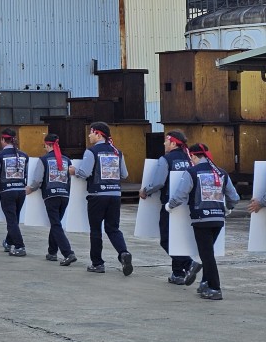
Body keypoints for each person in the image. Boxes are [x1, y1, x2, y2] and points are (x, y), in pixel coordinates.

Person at [167, 143, 239, 301]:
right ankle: (205, 282)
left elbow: (180, 195)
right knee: (208, 254)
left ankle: (215, 288)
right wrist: (228, 208)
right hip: (218, 219)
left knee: (207, 256)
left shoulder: (192, 172)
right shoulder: (221, 172)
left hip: (201, 219)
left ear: (193, 156)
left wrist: (169, 206)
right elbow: (234, 197)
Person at [70, 121, 133, 275]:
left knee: (96, 230)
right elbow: (124, 174)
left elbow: (85, 173)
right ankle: (123, 252)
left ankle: (97, 263)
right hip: (115, 195)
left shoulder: (91, 152)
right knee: (113, 228)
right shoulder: (117, 152)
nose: (89, 136)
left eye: (91, 133)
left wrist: (74, 170)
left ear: (98, 134)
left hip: (97, 195)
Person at [140, 130, 194, 284]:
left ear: (173, 143)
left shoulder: (166, 159)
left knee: (166, 240)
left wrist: (145, 191)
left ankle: (188, 264)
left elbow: (158, 182)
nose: (164, 143)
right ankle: (177, 274)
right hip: (187, 204)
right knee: (179, 238)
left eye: (166, 141)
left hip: (170, 205)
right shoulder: (190, 158)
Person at [27, 134, 77, 266]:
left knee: (55, 224)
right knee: (56, 224)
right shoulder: (67, 160)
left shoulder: (43, 160)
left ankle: (68, 253)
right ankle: (52, 252)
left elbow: (38, 180)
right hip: (64, 195)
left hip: (51, 195)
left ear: (47, 144)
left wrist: (31, 189)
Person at [0, 128, 29, 257]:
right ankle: (9, 242)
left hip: (7, 191)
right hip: (21, 190)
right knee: (14, 218)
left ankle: (20, 246)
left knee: (11, 220)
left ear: (3, 140)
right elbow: (26, 173)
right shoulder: (24, 155)